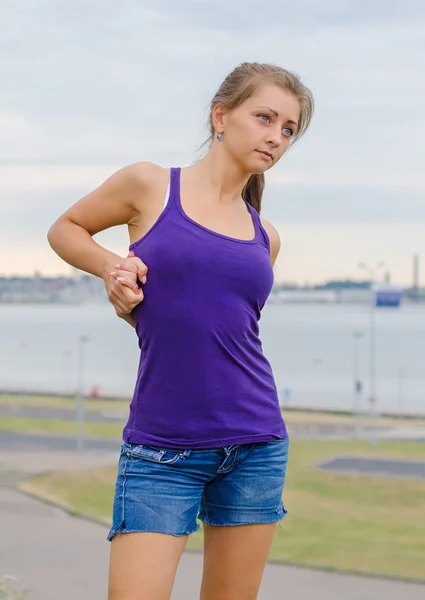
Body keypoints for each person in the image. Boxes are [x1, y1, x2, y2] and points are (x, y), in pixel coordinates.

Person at [47, 62, 314, 600]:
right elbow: (65, 229)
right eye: (264, 117)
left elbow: (221, 326)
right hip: (161, 451)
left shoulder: (266, 236)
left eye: (288, 129)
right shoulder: (150, 185)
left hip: (256, 443)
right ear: (221, 116)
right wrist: (109, 268)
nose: (275, 137)